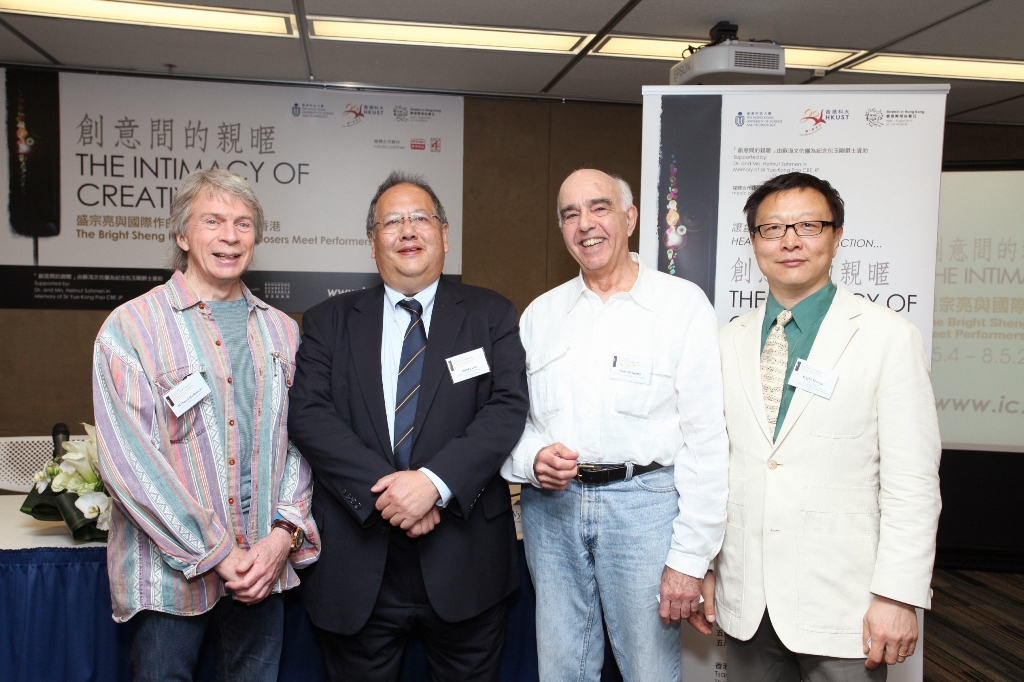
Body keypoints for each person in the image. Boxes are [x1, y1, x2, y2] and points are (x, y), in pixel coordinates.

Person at [687, 172, 942, 681]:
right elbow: (713, 464)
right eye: (772, 229)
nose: (790, 241)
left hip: (845, 603)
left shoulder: (888, 338)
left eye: (808, 225)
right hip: (746, 600)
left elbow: (912, 481)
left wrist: (897, 594)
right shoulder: (724, 343)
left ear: (836, 235)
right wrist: (708, 565)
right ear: (754, 243)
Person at [288, 171, 528, 682]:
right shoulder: (328, 321)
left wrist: (432, 485)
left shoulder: (491, 314)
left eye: (421, 218)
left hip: (466, 558)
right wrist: (394, 495)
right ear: (372, 242)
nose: (408, 231)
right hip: (358, 562)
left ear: (444, 235)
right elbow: (309, 415)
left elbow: (507, 408)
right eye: (391, 222)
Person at [501, 169, 730, 681]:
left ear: (629, 218)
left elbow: (706, 440)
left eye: (599, 207)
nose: (585, 224)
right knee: (561, 667)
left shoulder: (681, 306)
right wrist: (533, 459)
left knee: (649, 670)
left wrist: (691, 558)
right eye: (570, 214)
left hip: (646, 507)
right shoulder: (541, 314)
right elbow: (513, 420)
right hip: (552, 512)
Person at [93, 168, 320, 682]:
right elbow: (127, 461)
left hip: (262, 571)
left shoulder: (283, 332)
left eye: (243, 223)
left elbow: (299, 443)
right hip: (169, 580)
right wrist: (217, 551)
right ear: (182, 236)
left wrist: (283, 535)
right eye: (212, 221)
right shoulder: (132, 327)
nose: (230, 236)